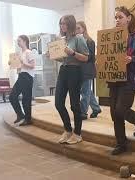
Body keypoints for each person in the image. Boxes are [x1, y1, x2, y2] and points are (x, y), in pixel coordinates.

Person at [108, 6, 135, 155]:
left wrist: (132, 58)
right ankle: (121, 143)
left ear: (128, 18)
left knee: (120, 109)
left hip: (130, 78)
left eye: (120, 17)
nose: (117, 20)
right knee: (114, 112)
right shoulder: (111, 36)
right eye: (116, 17)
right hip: (114, 78)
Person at [54, 15, 89, 144]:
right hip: (63, 70)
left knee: (75, 104)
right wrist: (53, 56)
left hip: (75, 71)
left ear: (70, 24)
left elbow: (86, 58)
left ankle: (78, 133)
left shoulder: (78, 38)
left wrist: (73, 53)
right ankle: (68, 129)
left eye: (64, 23)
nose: (62, 26)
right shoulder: (62, 40)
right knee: (58, 102)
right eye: (60, 24)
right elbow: (62, 58)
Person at [76, 21, 102, 120]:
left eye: (78, 28)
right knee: (87, 91)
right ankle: (96, 108)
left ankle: (83, 112)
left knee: (85, 92)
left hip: (87, 70)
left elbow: (91, 57)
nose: (77, 30)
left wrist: (79, 54)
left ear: (84, 28)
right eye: (75, 29)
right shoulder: (76, 41)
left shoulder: (90, 41)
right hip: (79, 70)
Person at [9, 35, 36, 126]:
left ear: (25, 41)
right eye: (17, 41)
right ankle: (20, 115)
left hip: (27, 77)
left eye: (19, 41)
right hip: (21, 75)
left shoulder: (29, 52)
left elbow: (32, 65)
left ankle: (28, 119)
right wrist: (12, 63)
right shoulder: (20, 53)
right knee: (12, 96)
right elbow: (20, 66)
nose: (18, 42)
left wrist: (22, 62)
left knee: (26, 99)